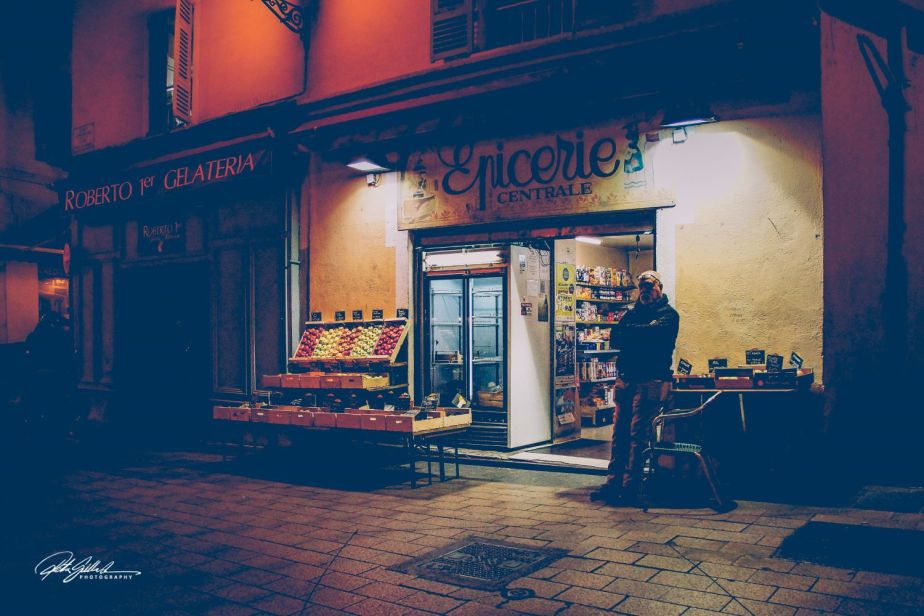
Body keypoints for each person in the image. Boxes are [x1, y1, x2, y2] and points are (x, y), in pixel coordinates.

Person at [591, 270, 679, 505]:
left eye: (649, 287)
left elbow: (655, 337)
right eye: (641, 288)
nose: (645, 292)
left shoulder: (669, 315)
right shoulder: (632, 314)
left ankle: (630, 486)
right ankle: (613, 483)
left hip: (650, 381)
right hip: (626, 379)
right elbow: (616, 338)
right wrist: (641, 333)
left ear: (659, 287)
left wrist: (635, 333)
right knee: (619, 433)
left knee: (638, 434)